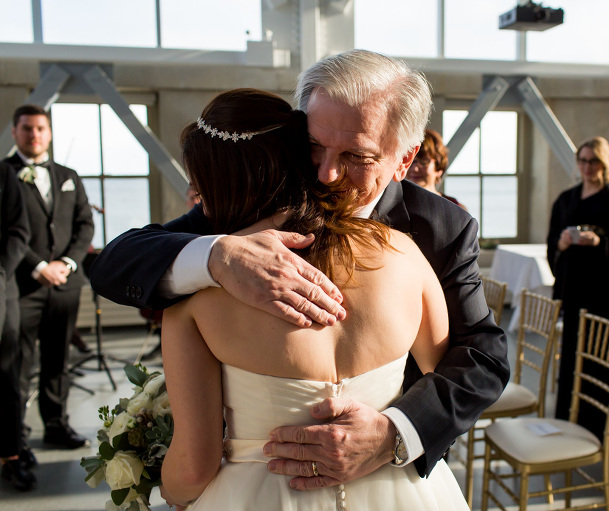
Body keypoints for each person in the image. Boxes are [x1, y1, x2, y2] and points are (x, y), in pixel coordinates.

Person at [89, 49, 509, 488]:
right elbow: (117, 263)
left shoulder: (441, 228)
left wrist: (395, 434)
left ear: (404, 159)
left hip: (389, 477)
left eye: (357, 156)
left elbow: (482, 356)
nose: (326, 174)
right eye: (313, 146)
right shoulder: (258, 201)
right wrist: (218, 257)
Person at [159, 88, 469, 510]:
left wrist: (160, 484)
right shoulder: (405, 254)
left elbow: (193, 469)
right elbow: (442, 369)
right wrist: (395, 428)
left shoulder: (193, 300)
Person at [4, 104, 95, 452]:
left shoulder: (68, 174)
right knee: (19, 361)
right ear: (15, 132)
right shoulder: (4, 174)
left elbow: (85, 224)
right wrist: (39, 266)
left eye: (41, 128)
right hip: (22, 285)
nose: (34, 134)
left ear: (49, 132)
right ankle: (16, 436)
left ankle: (57, 427)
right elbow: (6, 231)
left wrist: (68, 263)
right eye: (27, 128)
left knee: (58, 359)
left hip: (65, 283)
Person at [546, 136, 609, 443]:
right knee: (573, 358)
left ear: (604, 164)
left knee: (603, 360)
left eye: (593, 161)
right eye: (582, 160)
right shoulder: (566, 199)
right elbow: (552, 242)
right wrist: (562, 243)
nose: (586, 166)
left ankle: (607, 430)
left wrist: (600, 243)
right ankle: (573, 424)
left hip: (605, 295)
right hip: (575, 291)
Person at [0, 163, 32, 491]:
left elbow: (18, 231)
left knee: (5, 372)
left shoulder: (3, 174)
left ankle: (11, 456)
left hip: (1, 284)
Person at [406, 129, 467, 210]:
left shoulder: (456, 209)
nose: (415, 169)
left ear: (438, 167)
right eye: (411, 162)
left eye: (423, 162)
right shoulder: (392, 208)